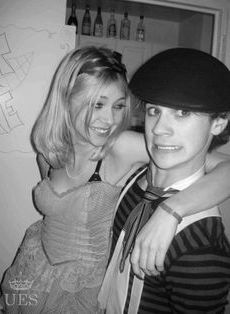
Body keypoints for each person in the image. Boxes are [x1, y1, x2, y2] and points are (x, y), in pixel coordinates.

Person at [0, 45, 230, 314]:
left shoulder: (118, 146)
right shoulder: (48, 155)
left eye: (119, 106)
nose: (109, 120)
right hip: (35, 268)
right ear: (66, 99)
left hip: (80, 292)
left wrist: (173, 210)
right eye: (97, 104)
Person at [98, 48, 230, 313]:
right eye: (154, 110)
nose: (159, 129)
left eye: (182, 113)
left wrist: (171, 210)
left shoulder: (201, 247)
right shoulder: (136, 179)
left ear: (219, 123)